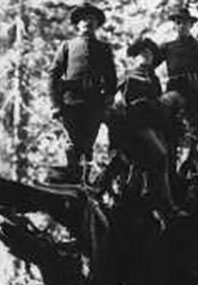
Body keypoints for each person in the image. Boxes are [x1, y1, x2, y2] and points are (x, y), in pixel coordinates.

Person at [49, 3, 117, 182]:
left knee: (88, 146)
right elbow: (53, 75)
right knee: (72, 146)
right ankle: (72, 184)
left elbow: (111, 78)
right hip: (70, 103)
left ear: (97, 24)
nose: (87, 22)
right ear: (77, 24)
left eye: (91, 19)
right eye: (83, 19)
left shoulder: (103, 48)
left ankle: (85, 186)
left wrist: (107, 103)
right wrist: (55, 104)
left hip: (94, 104)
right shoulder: (68, 46)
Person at [121, 38, 181, 217]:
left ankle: (150, 199)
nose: (146, 57)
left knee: (160, 158)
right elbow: (118, 101)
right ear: (135, 56)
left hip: (154, 124)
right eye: (142, 53)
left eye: (149, 54)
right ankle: (166, 206)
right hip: (136, 126)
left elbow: (159, 105)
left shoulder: (154, 78)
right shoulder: (129, 75)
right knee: (160, 155)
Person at [160, 5, 198, 134]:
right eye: (178, 23)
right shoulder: (168, 47)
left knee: (196, 127)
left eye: (185, 23)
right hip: (175, 89)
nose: (182, 26)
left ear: (191, 25)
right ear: (174, 26)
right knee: (163, 106)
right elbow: (150, 62)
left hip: (195, 91)